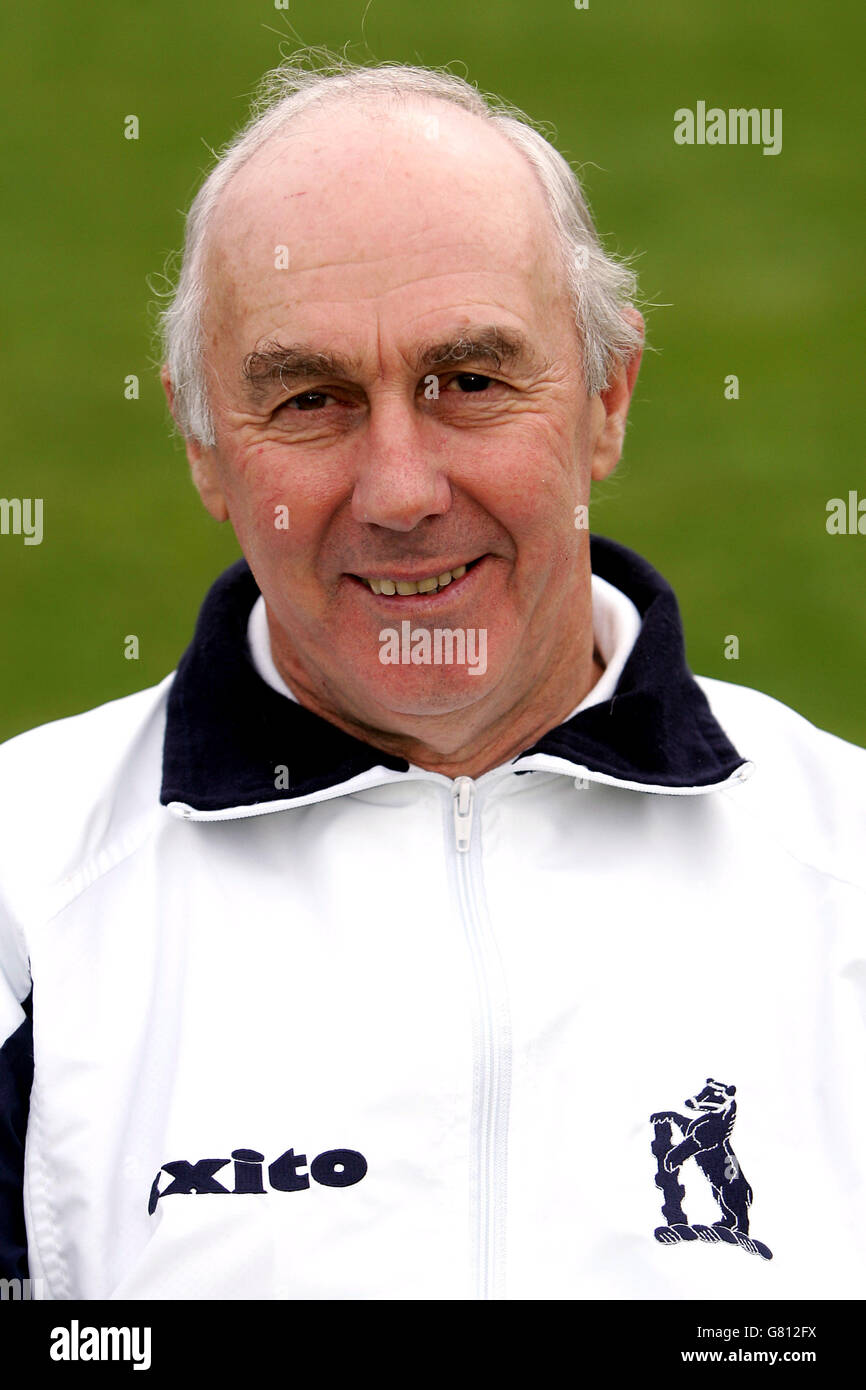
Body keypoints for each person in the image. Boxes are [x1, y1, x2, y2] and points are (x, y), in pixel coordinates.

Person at [1, 55, 864, 1302]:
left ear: (605, 399)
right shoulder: (26, 899)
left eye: (469, 382)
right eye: (310, 398)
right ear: (205, 449)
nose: (400, 491)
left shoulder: (844, 877)